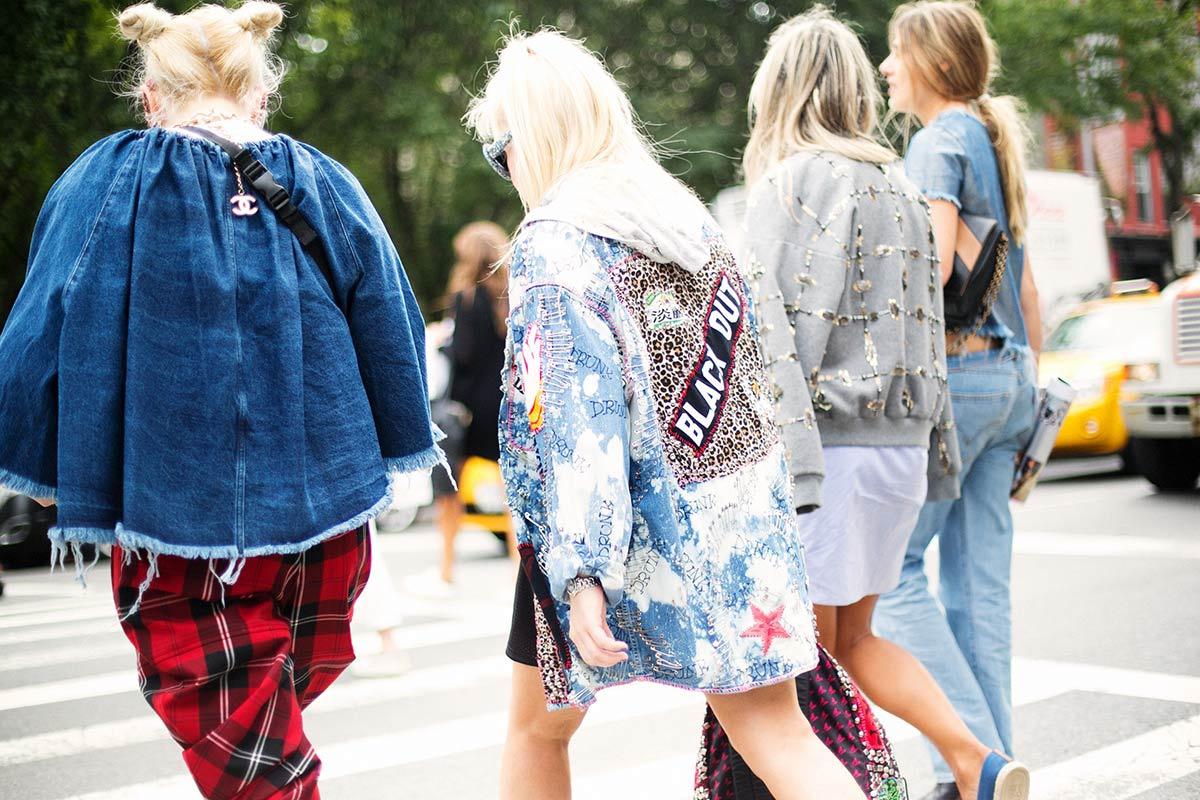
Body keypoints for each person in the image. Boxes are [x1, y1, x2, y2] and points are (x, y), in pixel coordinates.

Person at [0, 3, 441, 797]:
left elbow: (41, 322)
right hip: (323, 506)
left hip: (167, 508)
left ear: (150, 96)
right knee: (274, 707)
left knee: (243, 734)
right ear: (259, 94)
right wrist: (398, 444)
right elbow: (387, 312)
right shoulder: (319, 177)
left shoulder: (104, 177)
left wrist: (35, 453)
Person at [466, 29, 864, 800]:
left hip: (604, 524)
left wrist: (582, 572)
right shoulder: (687, 221)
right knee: (781, 737)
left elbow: (578, 427)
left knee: (537, 729)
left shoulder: (558, 243)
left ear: (535, 140)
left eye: (500, 149)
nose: (505, 168)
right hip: (740, 518)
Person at [742, 8, 1028, 800]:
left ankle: (864, 787)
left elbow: (770, 336)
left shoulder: (788, 182)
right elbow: (929, 322)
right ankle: (978, 762)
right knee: (859, 641)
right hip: (900, 447)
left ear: (779, 88)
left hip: (824, 453)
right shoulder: (897, 183)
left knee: (810, 666)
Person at [875, 3, 1042, 799]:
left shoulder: (937, 139)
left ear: (932, 62)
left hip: (960, 377)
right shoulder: (990, 140)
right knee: (979, 593)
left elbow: (930, 267)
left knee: (893, 574)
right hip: (1008, 382)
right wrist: (1030, 395)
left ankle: (971, 761)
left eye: (894, 53)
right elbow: (1024, 285)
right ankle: (990, 771)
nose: (884, 68)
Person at [443, 221, 513, 582]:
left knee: (452, 485)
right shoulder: (512, 295)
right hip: (508, 401)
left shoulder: (466, 299)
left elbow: (463, 355)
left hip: (472, 408)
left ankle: (447, 566)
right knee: (511, 481)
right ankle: (520, 561)